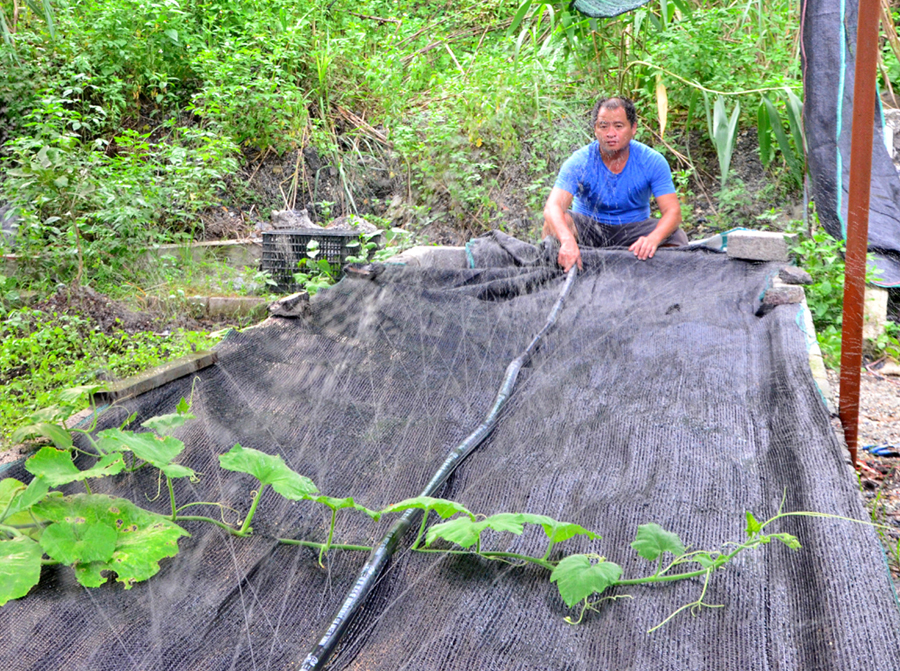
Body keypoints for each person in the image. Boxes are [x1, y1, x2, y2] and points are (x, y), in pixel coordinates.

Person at [542, 96, 687, 271]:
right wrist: (567, 241)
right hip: (590, 229)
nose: (611, 133)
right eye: (603, 126)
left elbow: (673, 213)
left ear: (633, 128)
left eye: (618, 126)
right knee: (556, 224)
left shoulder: (651, 161)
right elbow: (552, 207)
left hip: (634, 231)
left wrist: (653, 239)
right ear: (595, 129)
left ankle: (660, 285)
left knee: (676, 236)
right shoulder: (580, 161)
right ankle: (555, 277)